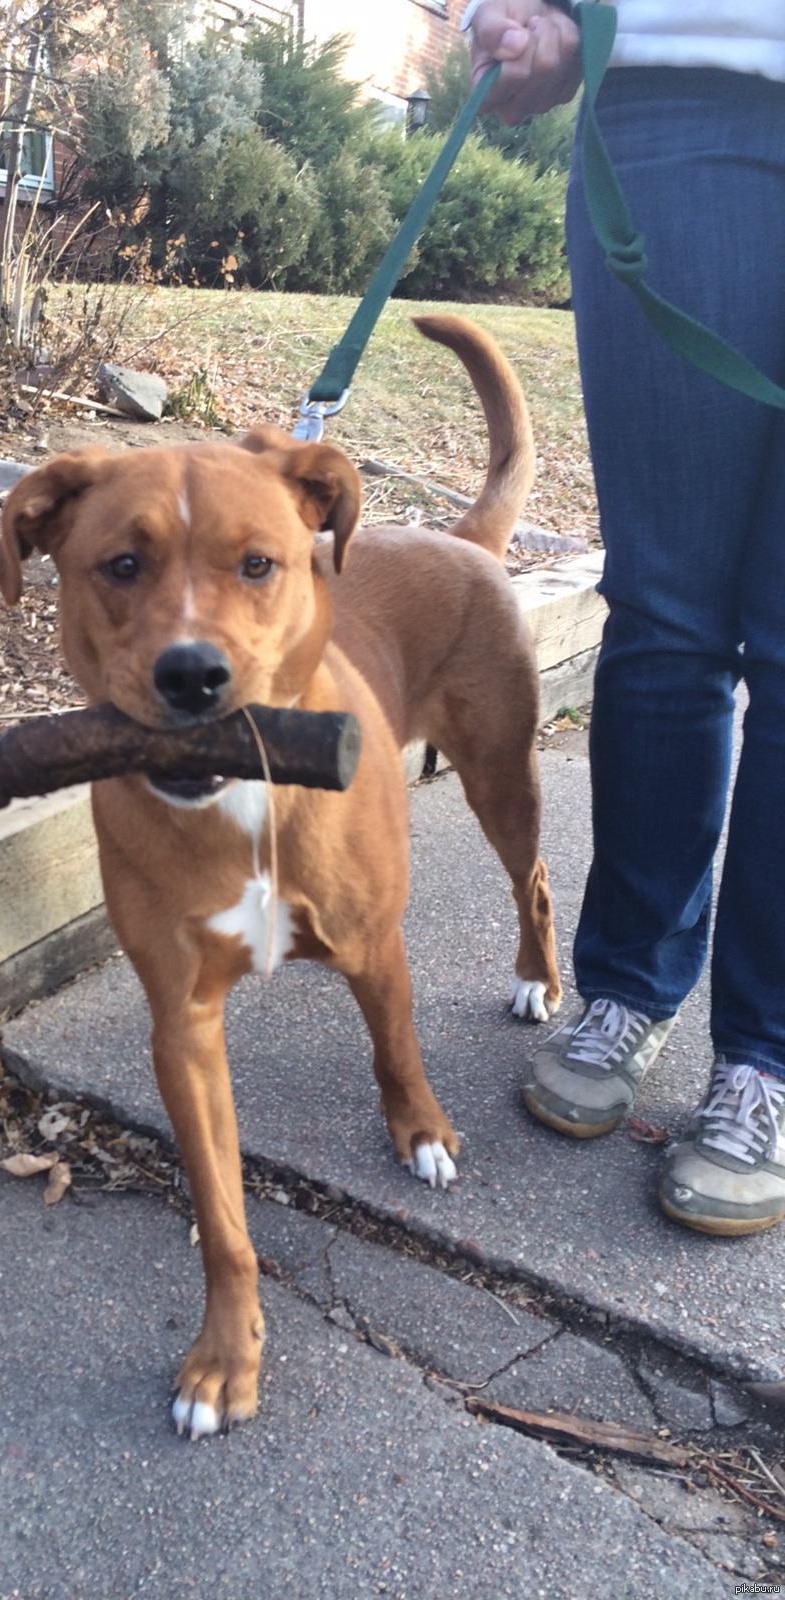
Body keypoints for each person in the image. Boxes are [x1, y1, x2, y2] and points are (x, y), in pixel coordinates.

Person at [461, 0, 785, 1235]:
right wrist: (532, 30)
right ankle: (633, 986)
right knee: (666, 620)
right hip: (679, 109)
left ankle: (765, 1062)